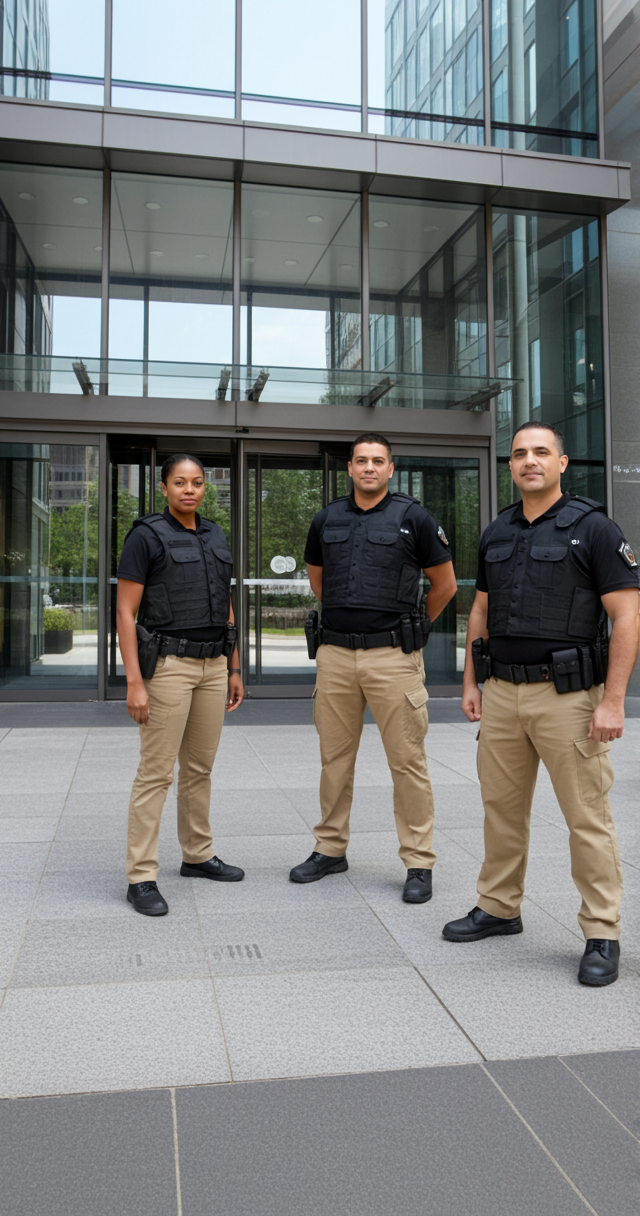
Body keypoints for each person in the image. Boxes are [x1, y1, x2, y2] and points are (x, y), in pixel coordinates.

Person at [443, 423, 639, 986]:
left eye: (541, 453)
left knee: (587, 817)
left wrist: (613, 701)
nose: (530, 461)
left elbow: (627, 616)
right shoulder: (498, 529)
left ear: (562, 462)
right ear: (510, 465)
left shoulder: (595, 528)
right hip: (502, 693)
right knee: (500, 809)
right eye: (520, 453)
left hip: (569, 699)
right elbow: (479, 611)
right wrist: (471, 682)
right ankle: (500, 907)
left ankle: (602, 932)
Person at [290, 432, 457, 902]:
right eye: (361, 460)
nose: (368, 468)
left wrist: (413, 630)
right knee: (334, 759)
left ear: (389, 468)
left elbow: (443, 585)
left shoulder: (414, 518)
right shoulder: (327, 518)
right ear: (349, 468)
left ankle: (419, 861)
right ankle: (330, 848)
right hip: (337, 656)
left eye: (377, 461)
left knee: (407, 762)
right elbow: (320, 582)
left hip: (393, 657)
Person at [117, 454, 245, 916]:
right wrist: (134, 681)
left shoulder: (214, 533)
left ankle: (197, 854)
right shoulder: (145, 536)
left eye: (196, 483)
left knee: (199, 769)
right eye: (179, 483)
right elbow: (125, 613)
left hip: (213, 667)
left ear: (204, 489)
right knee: (156, 773)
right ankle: (141, 876)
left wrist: (233, 667)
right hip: (168, 666)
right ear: (165, 487)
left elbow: (225, 603)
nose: (188, 490)